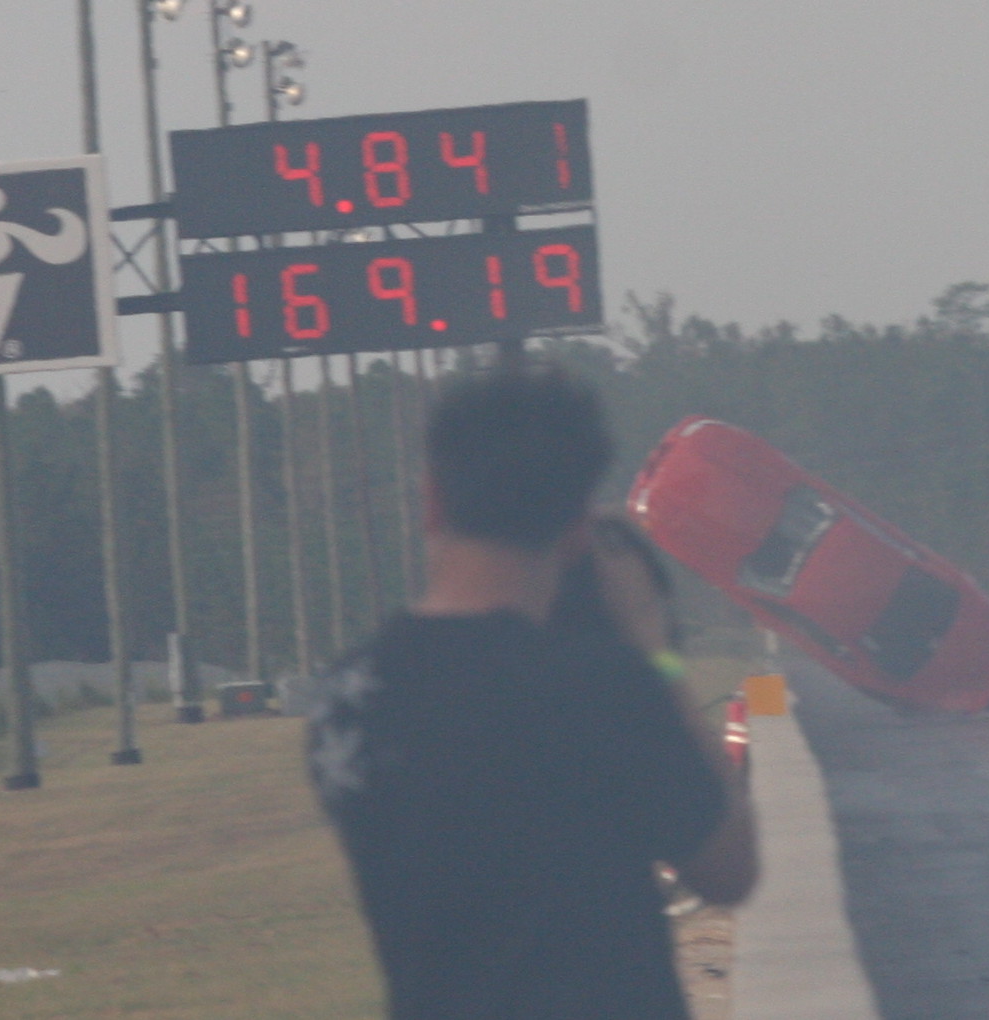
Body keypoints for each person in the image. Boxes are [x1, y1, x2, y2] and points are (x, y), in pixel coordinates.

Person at [307, 364, 757, 1020]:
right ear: (577, 526)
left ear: (433, 500)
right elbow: (728, 868)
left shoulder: (347, 697)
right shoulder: (599, 685)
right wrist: (654, 650)